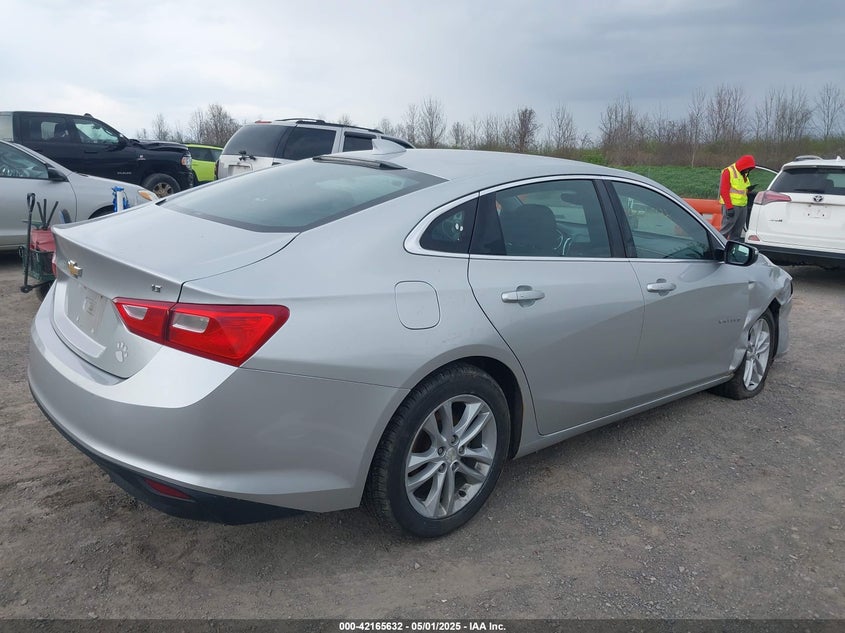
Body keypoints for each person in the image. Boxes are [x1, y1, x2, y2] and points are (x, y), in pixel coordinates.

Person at [719, 154, 756, 241]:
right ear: (743, 166)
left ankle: (732, 251)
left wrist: (748, 190)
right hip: (732, 206)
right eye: (747, 168)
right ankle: (719, 249)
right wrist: (729, 208)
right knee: (725, 231)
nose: (748, 170)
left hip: (742, 206)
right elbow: (724, 191)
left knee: (737, 233)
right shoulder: (728, 171)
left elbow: (741, 190)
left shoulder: (744, 174)